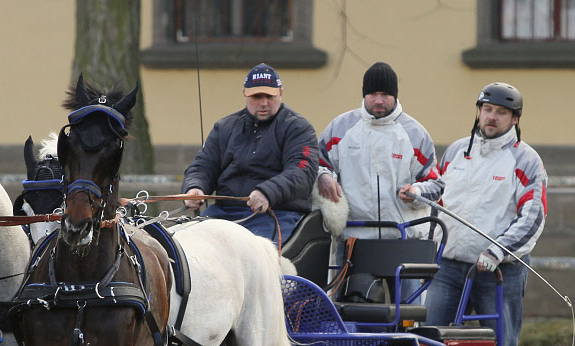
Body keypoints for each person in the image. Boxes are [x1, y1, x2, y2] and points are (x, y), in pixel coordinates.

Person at [425, 82, 548, 346]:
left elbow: (534, 215)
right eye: (486, 109)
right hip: (449, 264)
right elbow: (440, 189)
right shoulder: (456, 152)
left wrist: (497, 251)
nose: (491, 117)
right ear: (478, 111)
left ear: (514, 119)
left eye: (500, 112)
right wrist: (416, 190)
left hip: (499, 271)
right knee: (432, 342)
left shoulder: (526, 161)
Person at [182, 63, 318, 244]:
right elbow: (204, 165)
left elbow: (302, 172)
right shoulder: (224, 127)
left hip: (277, 214)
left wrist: (267, 193)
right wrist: (195, 187)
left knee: (254, 254)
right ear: (244, 94)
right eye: (256, 96)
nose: (263, 103)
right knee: (184, 244)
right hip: (223, 212)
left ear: (281, 93)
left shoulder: (298, 128)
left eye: (269, 96)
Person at [316, 61, 444, 243]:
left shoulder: (415, 134)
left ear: (395, 95)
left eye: (385, 95)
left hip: (403, 238)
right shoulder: (339, 128)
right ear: (364, 94)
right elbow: (316, 164)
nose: (378, 101)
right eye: (372, 94)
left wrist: (415, 192)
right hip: (353, 239)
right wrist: (324, 176)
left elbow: (436, 185)